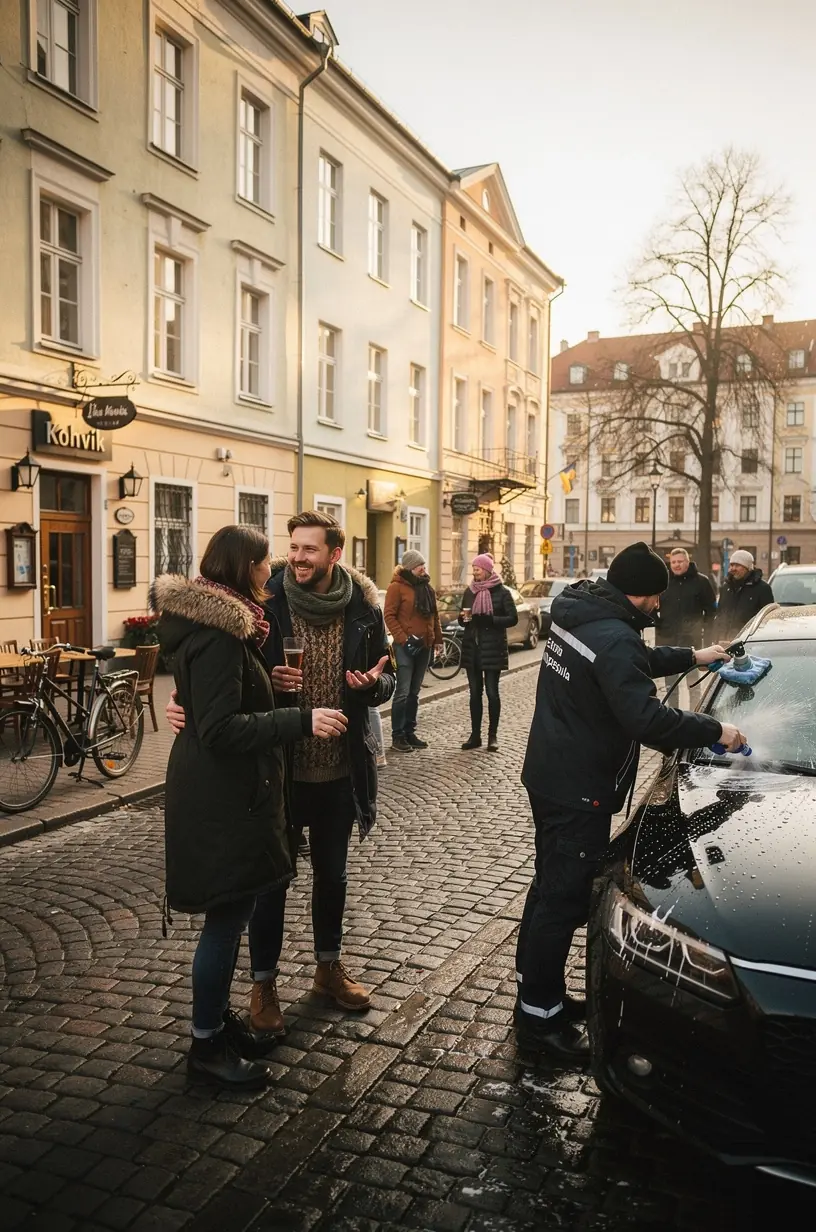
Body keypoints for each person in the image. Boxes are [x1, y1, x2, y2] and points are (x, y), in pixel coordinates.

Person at [516, 541, 748, 1061]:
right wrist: (716, 730)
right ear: (640, 594)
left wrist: (693, 656)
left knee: (547, 887)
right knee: (564, 900)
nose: (659, 608)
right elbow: (646, 718)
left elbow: (629, 659)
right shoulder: (612, 634)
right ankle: (539, 1023)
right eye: (655, 598)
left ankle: (537, 997)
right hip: (580, 787)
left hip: (550, 773)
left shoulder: (581, 613)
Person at [167, 510, 394, 1037]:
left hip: (340, 767)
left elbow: (389, 676)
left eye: (309, 550)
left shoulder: (363, 605)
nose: (296, 558)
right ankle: (263, 984)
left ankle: (327, 967)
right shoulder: (263, 598)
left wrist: (370, 687)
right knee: (271, 882)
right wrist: (197, 702)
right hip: (278, 769)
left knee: (332, 876)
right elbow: (225, 676)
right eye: (291, 548)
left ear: (334, 554)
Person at [154, 525, 348, 1088]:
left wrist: (275, 691)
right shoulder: (218, 632)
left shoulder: (223, 623)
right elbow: (219, 728)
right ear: (246, 568)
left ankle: (214, 1025)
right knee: (225, 922)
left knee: (230, 917)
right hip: (224, 798)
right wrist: (301, 717)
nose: (275, 571)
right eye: (267, 562)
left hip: (228, 791)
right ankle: (206, 1046)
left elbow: (212, 705)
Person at [383, 550, 442, 752]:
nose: (423, 569)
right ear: (409, 567)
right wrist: (404, 639)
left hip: (424, 646)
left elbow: (434, 616)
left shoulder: (427, 588)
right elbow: (389, 616)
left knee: (414, 693)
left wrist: (438, 641)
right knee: (403, 692)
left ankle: (409, 731)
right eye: (420, 566)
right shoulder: (396, 587)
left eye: (424, 565)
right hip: (404, 648)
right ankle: (397, 736)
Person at [458, 553, 518, 752]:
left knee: (492, 693)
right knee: (475, 693)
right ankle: (475, 736)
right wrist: (463, 619)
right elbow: (463, 615)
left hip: (493, 648)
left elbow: (512, 618)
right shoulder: (470, 591)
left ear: (487, 570)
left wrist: (491, 620)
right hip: (472, 648)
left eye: (478, 569)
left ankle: (493, 736)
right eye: (473, 569)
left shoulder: (502, 592)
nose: (474, 572)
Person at [655, 548, 717, 695]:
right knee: (670, 685)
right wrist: (658, 623)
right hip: (667, 639)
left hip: (691, 640)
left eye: (680, 561)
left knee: (693, 682)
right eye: (673, 562)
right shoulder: (663, 582)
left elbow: (711, 611)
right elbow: (651, 605)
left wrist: (705, 632)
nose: (676, 565)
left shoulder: (701, 582)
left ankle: (694, 711)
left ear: (687, 562)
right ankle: (672, 712)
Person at [714, 550, 775, 642]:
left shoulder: (762, 589)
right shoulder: (725, 588)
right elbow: (720, 615)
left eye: (737, 565)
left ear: (748, 568)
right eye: (731, 565)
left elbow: (767, 619)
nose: (733, 568)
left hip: (749, 641)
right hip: (724, 642)